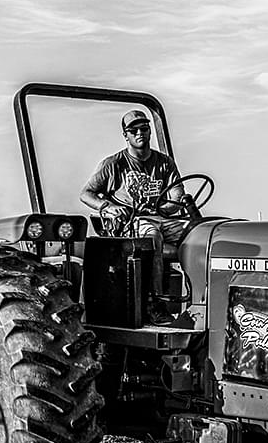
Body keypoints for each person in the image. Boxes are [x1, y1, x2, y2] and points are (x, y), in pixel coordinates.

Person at [79, 109, 191, 322]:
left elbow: (177, 195)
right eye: (134, 130)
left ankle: (198, 299)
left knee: (199, 235)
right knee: (152, 236)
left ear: (149, 131)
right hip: (132, 222)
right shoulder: (113, 164)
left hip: (163, 218)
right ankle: (154, 302)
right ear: (126, 135)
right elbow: (86, 194)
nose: (139, 133)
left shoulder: (164, 163)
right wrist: (107, 207)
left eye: (144, 128)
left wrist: (167, 207)